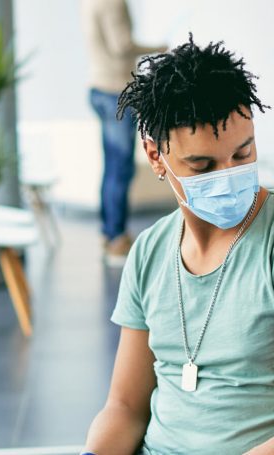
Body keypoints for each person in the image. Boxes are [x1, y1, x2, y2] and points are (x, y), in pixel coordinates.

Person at [83, 36, 274, 454]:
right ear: (156, 156)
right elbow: (124, 407)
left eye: (243, 154)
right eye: (203, 165)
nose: (228, 175)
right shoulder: (149, 251)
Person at [81, 0, 166, 266]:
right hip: (115, 91)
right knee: (120, 168)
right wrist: (159, 48)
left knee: (112, 167)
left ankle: (109, 234)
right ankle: (117, 239)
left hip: (99, 88)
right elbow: (122, 45)